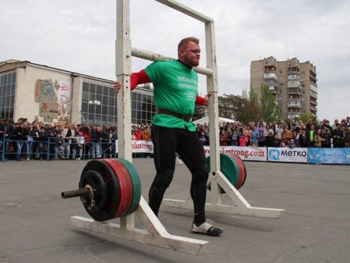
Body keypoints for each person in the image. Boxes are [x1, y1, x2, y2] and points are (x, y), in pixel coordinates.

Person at [114, 37, 223, 236]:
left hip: (187, 127)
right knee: (165, 176)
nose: (199, 54)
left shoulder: (193, 74)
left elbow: (185, 95)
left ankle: (199, 222)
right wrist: (126, 85)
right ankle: (152, 221)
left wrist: (203, 101)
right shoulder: (163, 67)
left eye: (200, 51)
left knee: (201, 172)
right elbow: (138, 76)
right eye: (194, 51)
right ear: (182, 52)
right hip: (165, 126)